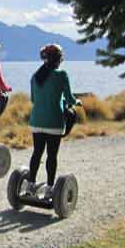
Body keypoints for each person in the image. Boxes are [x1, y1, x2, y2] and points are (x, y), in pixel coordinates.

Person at [25, 44, 78, 199]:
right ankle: (49, 188)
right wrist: (76, 101)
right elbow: (69, 98)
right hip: (54, 122)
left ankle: (30, 185)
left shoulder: (35, 75)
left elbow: (34, 99)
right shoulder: (62, 74)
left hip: (36, 121)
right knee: (52, 155)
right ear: (59, 59)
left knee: (37, 153)